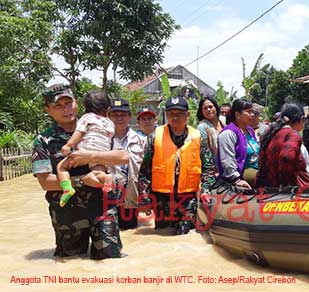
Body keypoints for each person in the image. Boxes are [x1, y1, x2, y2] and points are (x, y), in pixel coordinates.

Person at [33, 84, 127, 259]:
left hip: (103, 209)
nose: (66, 109)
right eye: (58, 106)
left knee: (110, 262)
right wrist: (83, 180)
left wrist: (91, 155)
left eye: (69, 103)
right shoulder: (42, 141)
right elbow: (45, 182)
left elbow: (123, 157)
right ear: (48, 110)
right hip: (67, 216)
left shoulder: (97, 125)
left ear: (76, 102)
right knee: (69, 263)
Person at [137, 96, 201, 235]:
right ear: (166, 115)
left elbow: (208, 169)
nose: (175, 117)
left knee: (186, 234)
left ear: (188, 115)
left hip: (188, 197)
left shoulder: (199, 137)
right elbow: (144, 171)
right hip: (161, 198)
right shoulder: (154, 137)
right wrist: (144, 197)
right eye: (171, 114)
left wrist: (206, 191)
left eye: (179, 114)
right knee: (162, 235)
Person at [56, 91, 114, 207]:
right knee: (97, 171)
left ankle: (67, 188)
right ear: (108, 109)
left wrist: (69, 145)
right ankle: (107, 177)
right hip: (103, 153)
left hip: (84, 152)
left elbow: (79, 133)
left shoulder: (87, 118)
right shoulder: (110, 123)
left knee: (61, 167)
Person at [256, 103, 309, 188]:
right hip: (288, 189)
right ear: (301, 119)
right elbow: (287, 157)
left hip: (267, 185)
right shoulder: (292, 135)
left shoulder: (271, 133)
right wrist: (286, 184)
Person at [109, 98, 147, 230]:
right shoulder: (102, 139)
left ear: (129, 116)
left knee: (130, 233)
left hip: (130, 198)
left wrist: (145, 197)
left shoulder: (141, 141)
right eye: (115, 115)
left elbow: (145, 171)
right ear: (109, 116)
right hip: (107, 198)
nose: (119, 118)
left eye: (123, 114)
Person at [216, 99, 259, 189]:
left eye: (252, 111)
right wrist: (236, 179)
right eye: (248, 112)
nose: (252, 115)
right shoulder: (228, 133)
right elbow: (227, 160)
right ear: (237, 115)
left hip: (256, 168)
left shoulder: (250, 130)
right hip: (241, 172)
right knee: (265, 178)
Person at [195, 96, 223, 190]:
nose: (208, 110)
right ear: (201, 111)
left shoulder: (223, 122)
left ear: (216, 107)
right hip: (214, 172)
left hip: (229, 167)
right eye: (205, 108)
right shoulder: (202, 127)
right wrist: (212, 173)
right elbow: (205, 154)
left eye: (210, 107)